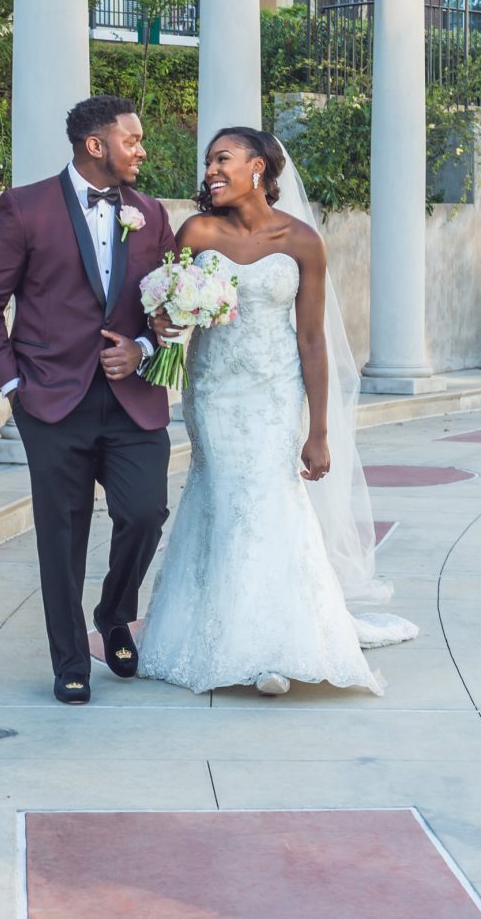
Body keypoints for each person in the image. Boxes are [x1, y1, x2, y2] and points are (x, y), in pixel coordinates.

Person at [137, 127, 417, 696]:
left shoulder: (302, 240)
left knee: (266, 501)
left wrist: (319, 430)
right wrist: (164, 322)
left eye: (224, 159)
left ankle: (273, 643)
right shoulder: (197, 231)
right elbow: (166, 308)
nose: (211, 170)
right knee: (224, 499)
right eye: (210, 162)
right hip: (214, 391)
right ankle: (229, 637)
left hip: (274, 395)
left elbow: (312, 340)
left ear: (259, 168)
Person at [0, 95, 178, 705]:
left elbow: (164, 308)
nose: (141, 149)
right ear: (95, 145)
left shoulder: (150, 213)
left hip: (133, 400)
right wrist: (13, 387)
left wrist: (140, 345)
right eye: (132, 139)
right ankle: (68, 659)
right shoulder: (25, 207)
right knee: (62, 532)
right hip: (51, 402)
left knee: (145, 512)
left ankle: (113, 614)